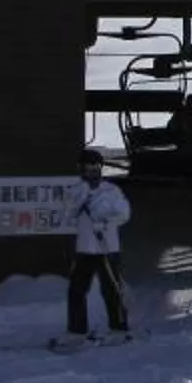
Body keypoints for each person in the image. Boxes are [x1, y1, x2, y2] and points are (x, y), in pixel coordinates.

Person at [63, 147, 130, 344]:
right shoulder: (75, 191)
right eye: (87, 167)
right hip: (85, 247)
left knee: (111, 288)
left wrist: (107, 222)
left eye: (95, 166)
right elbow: (67, 216)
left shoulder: (111, 191)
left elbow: (124, 214)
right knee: (76, 289)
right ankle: (76, 330)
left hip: (108, 246)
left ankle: (118, 326)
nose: (92, 171)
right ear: (80, 169)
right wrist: (80, 200)